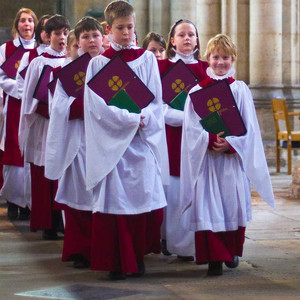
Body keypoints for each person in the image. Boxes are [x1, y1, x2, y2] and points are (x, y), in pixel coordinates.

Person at [84, 0, 169, 280]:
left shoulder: (146, 60)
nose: (126, 33)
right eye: (120, 28)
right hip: (112, 146)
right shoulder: (98, 63)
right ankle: (117, 261)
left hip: (141, 142)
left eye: (130, 27)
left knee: (142, 200)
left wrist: (144, 118)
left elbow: (156, 101)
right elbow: (97, 107)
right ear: (108, 29)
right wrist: (130, 119)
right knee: (116, 203)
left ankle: (138, 255)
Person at [180, 34, 275, 275]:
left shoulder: (239, 89)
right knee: (208, 207)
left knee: (231, 207)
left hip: (231, 161)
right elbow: (190, 128)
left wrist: (231, 145)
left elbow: (250, 127)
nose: (220, 62)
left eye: (225, 57)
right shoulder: (195, 91)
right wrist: (211, 140)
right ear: (207, 59)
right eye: (215, 57)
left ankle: (230, 251)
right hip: (208, 161)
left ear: (233, 59)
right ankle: (214, 258)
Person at [45, 16, 104, 269]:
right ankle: (81, 249)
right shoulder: (67, 72)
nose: (91, 41)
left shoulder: (111, 66)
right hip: (78, 141)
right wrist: (85, 107)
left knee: (104, 198)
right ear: (78, 42)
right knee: (80, 196)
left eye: (95, 36)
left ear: (103, 38)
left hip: (105, 141)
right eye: (86, 37)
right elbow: (57, 107)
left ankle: (104, 249)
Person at [158, 19, 208, 258]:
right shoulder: (162, 68)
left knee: (199, 192)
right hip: (173, 139)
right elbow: (159, 108)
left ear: (197, 40)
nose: (187, 38)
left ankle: (198, 245)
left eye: (191, 34)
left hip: (200, 141)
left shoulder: (207, 68)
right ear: (172, 40)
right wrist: (189, 119)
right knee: (175, 193)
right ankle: (175, 243)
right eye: (182, 34)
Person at [19, 14, 70, 239]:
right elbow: (29, 98)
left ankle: (61, 221)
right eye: (57, 34)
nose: (62, 38)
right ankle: (47, 223)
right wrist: (50, 111)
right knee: (43, 174)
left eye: (65, 33)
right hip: (43, 125)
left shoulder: (71, 62)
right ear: (47, 36)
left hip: (64, 126)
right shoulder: (38, 63)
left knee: (63, 173)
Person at [0, 8, 38, 220]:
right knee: (14, 151)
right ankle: (13, 200)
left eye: (30, 20)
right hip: (14, 104)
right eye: (23, 21)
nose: (26, 24)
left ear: (35, 25)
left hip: (32, 107)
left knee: (29, 152)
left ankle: (28, 203)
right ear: (17, 24)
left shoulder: (40, 50)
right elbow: (2, 76)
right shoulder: (6, 48)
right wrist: (20, 90)